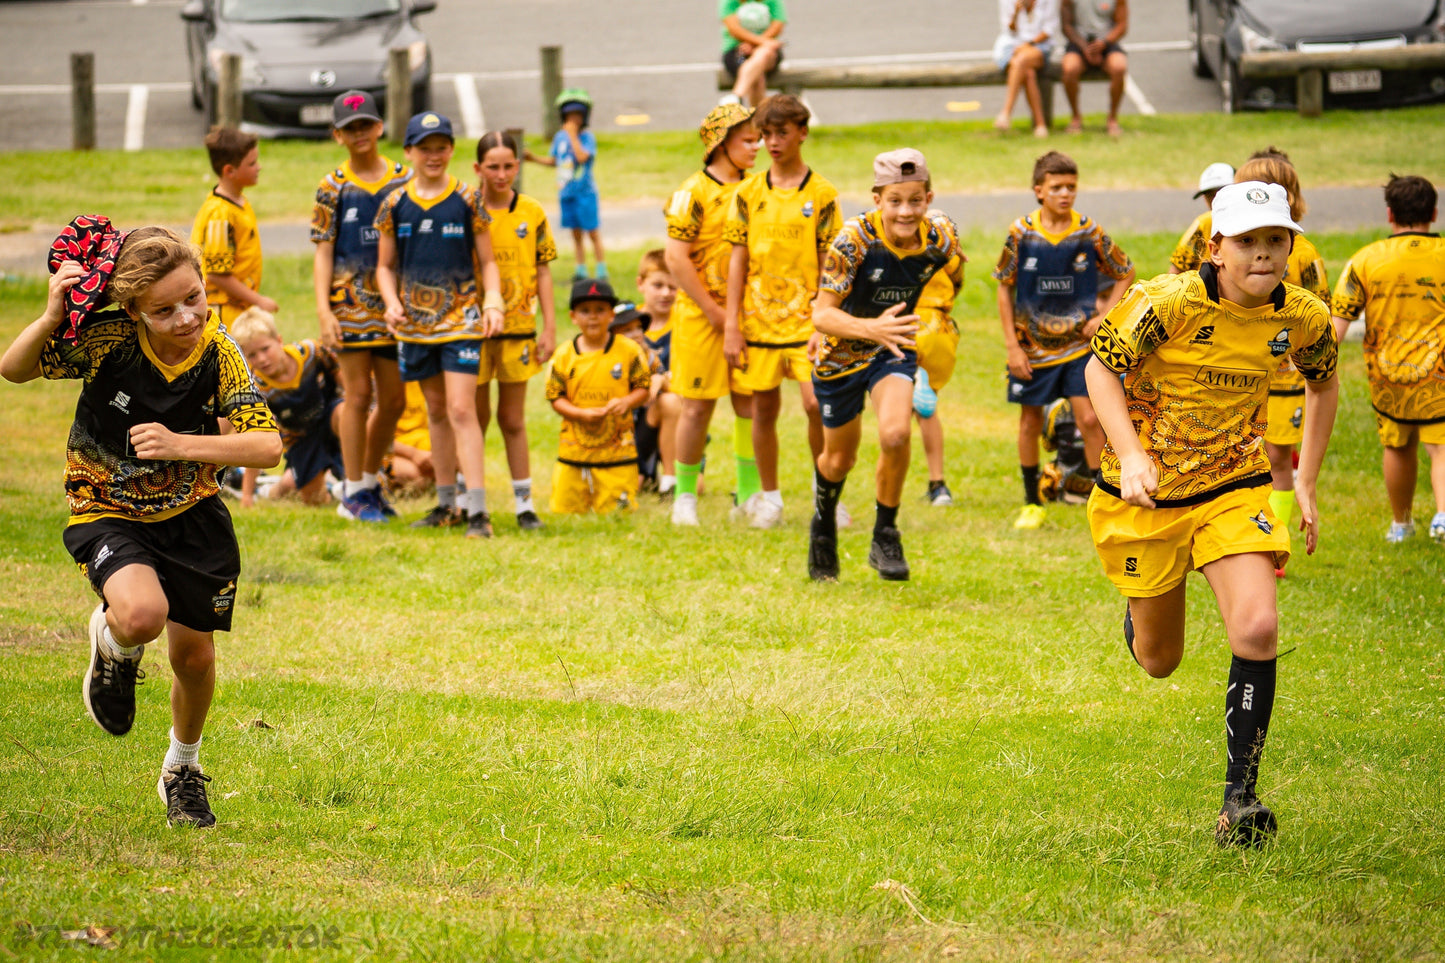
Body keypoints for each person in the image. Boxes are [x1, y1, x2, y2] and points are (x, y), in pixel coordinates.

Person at [1, 219, 283, 828]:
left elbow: (267, 447)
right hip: (106, 506)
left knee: (195, 659)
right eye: (164, 310)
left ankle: (181, 769)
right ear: (132, 311)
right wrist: (51, 315)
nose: (184, 318)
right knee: (141, 615)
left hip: (192, 516)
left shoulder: (220, 351)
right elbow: (14, 368)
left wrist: (182, 444)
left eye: (194, 298)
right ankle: (114, 644)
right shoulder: (108, 341)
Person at [1085, 181, 1339, 847]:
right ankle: (1141, 617)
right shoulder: (1167, 301)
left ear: (1289, 246)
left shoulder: (1303, 317)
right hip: (1146, 494)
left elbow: (1323, 380)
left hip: (1232, 484)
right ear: (1215, 246)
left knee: (1256, 627)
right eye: (1247, 241)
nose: (1262, 254)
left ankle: (1240, 798)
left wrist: (1304, 479)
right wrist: (1132, 454)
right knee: (1159, 659)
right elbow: (1098, 369)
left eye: (1274, 240)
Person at [809, 149, 964, 582]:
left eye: (916, 200)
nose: (906, 211)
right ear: (877, 199)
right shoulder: (854, 239)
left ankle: (885, 531)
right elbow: (822, 315)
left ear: (928, 197)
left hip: (891, 348)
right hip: (840, 354)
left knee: (896, 434)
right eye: (895, 200)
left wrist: (912, 325)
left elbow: (954, 276)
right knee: (838, 460)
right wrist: (868, 328)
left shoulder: (942, 238)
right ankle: (822, 526)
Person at [374, 111, 504, 539]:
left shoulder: (468, 199)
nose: (434, 155)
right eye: (425, 148)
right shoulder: (394, 203)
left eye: (442, 147)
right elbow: (384, 267)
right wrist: (391, 303)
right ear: (409, 152)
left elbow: (487, 260)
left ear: (451, 150)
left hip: (462, 320)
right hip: (414, 327)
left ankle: (478, 511)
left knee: (462, 409)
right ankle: (446, 504)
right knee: (435, 410)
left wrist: (494, 301)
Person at [994, 150, 1134, 530]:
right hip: (1032, 350)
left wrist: (1105, 315)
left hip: (1078, 348)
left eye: (1071, 187)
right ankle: (1031, 503)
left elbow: (1125, 270)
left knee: (1090, 418)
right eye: (1057, 187)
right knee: (1029, 421)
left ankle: (1101, 499)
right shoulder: (1021, 233)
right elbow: (1003, 288)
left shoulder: (1088, 231)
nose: (1065, 194)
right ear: (1039, 190)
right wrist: (1012, 346)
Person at [723, 93, 840, 528]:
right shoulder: (748, 192)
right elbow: (737, 259)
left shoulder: (823, 194)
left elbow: (832, 262)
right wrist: (732, 325)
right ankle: (769, 498)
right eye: (764, 134)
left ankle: (825, 492)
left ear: (802, 133)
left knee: (816, 406)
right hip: (758, 322)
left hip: (808, 323)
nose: (771, 142)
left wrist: (825, 320)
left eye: (781, 133)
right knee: (762, 409)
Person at [311, 90, 412, 523]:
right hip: (349, 309)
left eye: (366, 125)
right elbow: (323, 252)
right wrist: (324, 311)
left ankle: (370, 483)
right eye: (350, 128)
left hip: (397, 309)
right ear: (338, 135)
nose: (360, 134)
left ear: (380, 127)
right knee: (357, 395)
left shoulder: (404, 179)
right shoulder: (332, 187)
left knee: (393, 400)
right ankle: (353, 491)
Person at [1331, 174, 1445, 544]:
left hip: (1388, 378)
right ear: (1434, 212)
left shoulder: (1365, 260)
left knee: (1397, 446)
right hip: (1440, 377)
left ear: (1389, 214)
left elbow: (1337, 325)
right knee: (1441, 446)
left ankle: (1402, 523)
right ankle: (1442, 517)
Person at [1233, 151, 1331, 574]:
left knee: (1277, 455)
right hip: (1238, 376)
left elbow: (1320, 313)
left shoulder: (1304, 253)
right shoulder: (1224, 243)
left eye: (1281, 190)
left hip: (1287, 379)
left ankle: (1275, 539)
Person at [665, 103, 761, 527]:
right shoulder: (693, 193)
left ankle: (749, 492)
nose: (757, 146)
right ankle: (684, 495)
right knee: (697, 407)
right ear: (721, 143)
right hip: (701, 318)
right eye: (748, 139)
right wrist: (716, 313)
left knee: (751, 402)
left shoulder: (759, 188)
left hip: (750, 315)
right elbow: (676, 258)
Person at [474, 130, 558, 533]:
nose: (502, 174)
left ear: (519, 166)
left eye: (509, 165)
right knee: (474, 418)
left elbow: (542, 270)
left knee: (512, 418)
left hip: (520, 329)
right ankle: (467, 499)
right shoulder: (466, 209)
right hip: (473, 332)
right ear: (478, 168)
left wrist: (549, 327)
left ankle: (525, 505)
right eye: (493, 166)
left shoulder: (532, 211)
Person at [545, 278, 652, 514]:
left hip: (617, 452)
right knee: (565, 511)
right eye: (585, 311)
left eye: (600, 310)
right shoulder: (564, 355)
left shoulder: (629, 351)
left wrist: (626, 402)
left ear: (611, 315)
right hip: (574, 452)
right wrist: (579, 413)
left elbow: (643, 387)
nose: (593, 317)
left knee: (619, 513)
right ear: (573, 317)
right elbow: (555, 397)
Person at [230, 307, 345, 508]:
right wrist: (247, 496)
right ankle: (271, 489)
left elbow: (350, 389)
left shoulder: (312, 353)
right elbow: (259, 437)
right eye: (252, 355)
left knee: (345, 413)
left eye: (265, 349)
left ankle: (355, 484)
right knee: (315, 500)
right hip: (301, 441)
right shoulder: (259, 390)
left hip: (333, 424)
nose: (262, 359)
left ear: (279, 340)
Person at [191, 126, 274, 326]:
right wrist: (259, 301)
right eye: (252, 163)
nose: (259, 167)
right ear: (230, 170)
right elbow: (217, 275)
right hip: (223, 312)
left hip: (238, 308)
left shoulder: (238, 202)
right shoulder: (220, 214)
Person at [910, 225, 967, 507]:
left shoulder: (891, 235)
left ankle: (889, 490)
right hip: (939, 329)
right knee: (926, 412)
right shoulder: (948, 245)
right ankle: (938, 484)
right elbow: (957, 283)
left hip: (906, 325)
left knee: (895, 414)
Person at [525, 90, 604, 280]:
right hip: (566, 193)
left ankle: (601, 269)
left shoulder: (587, 138)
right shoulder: (559, 138)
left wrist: (572, 135)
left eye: (577, 115)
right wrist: (533, 158)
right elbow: (555, 161)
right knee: (576, 234)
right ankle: (581, 269)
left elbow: (582, 157)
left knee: (592, 232)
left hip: (585, 194)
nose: (573, 119)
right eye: (569, 115)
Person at [636, 249, 684, 493]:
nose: (666, 293)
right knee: (630, 485)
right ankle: (641, 468)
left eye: (672, 287)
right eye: (658, 285)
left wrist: (661, 381)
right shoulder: (623, 323)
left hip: (674, 417)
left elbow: (688, 382)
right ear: (640, 284)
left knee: (670, 400)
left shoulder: (686, 325)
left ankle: (670, 479)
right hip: (632, 415)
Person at [1059, 0, 1128, 137]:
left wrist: (1104, 43)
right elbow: (1066, 26)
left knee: (1119, 66)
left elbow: (1122, 25)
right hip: (1079, 42)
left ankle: (1112, 119)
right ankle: (1076, 118)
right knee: (1069, 68)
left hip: (1106, 42)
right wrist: (1085, 47)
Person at [993, 0, 1059, 137]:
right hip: (1013, 45)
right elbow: (1009, 30)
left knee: (1022, 60)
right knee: (1028, 73)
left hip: (1039, 46)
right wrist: (1016, 13)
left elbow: (1049, 30)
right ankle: (1040, 125)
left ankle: (1006, 112)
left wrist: (1029, 44)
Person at [1168, 161, 1235, 275]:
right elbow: (1174, 273)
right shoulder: (1204, 224)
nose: (1215, 200)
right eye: (1209, 195)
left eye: (1221, 192)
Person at [719, 0, 786, 108]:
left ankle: (736, 95)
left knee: (765, 52)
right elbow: (734, 29)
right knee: (757, 76)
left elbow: (777, 26)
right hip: (739, 56)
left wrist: (755, 44)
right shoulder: (730, 2)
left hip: (768, 56)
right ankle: (759, 121)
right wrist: (758, 42)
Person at [389, 380, 435, 496]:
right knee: (417, 478)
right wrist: (413, 453)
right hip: (389, 452)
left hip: (424, 445)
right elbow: (371, 438)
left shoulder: (416, 371)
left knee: (455, 458)